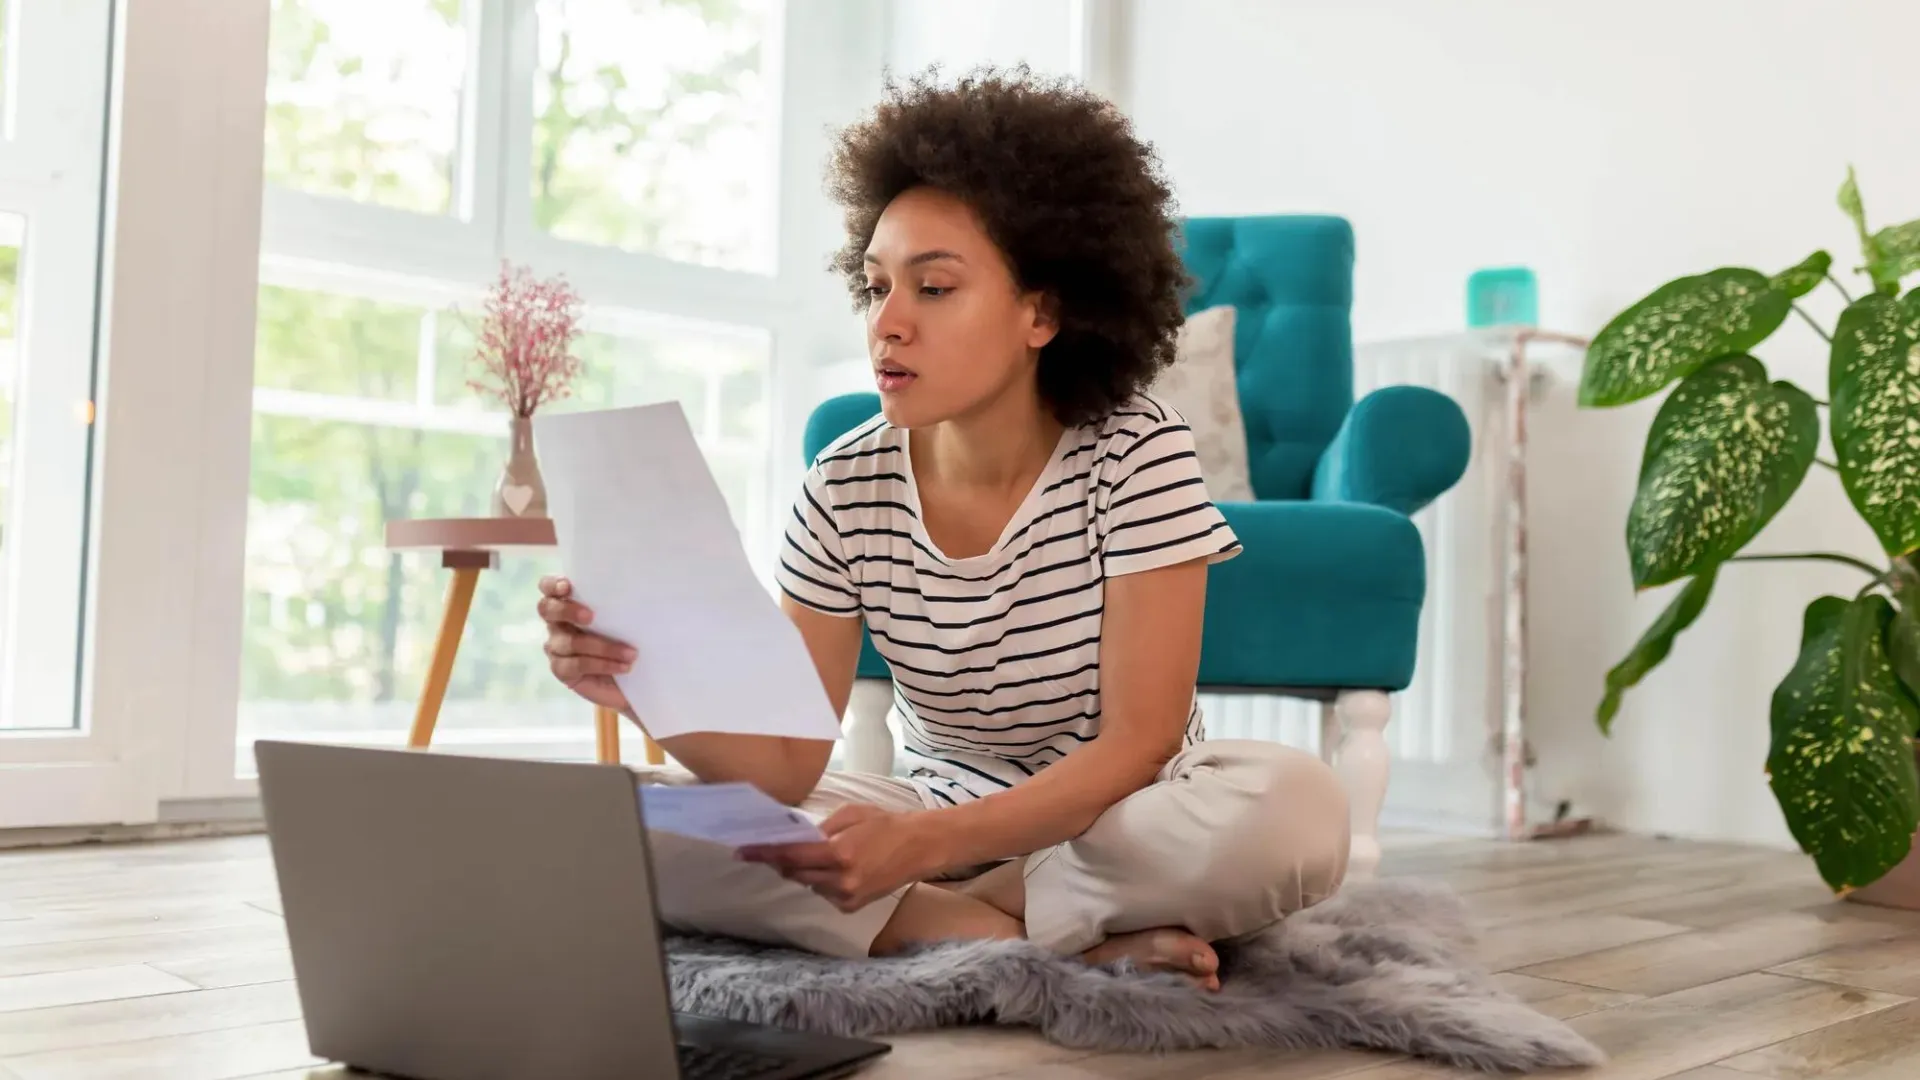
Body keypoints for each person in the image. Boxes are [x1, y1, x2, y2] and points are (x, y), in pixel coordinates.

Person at [536, 67, 1349, 992]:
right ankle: (1041, 943)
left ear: (1041, 312)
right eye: (877, 286)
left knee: (1296, 807)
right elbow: (789, 761)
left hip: (1117, 820)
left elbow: (1140, 744)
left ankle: (957, 917)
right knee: (639, 823)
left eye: (933, 288)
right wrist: (644, 686)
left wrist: (920, 848)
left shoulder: (1137, 452)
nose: (886, 324)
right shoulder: (842, 483)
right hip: (923, 808)